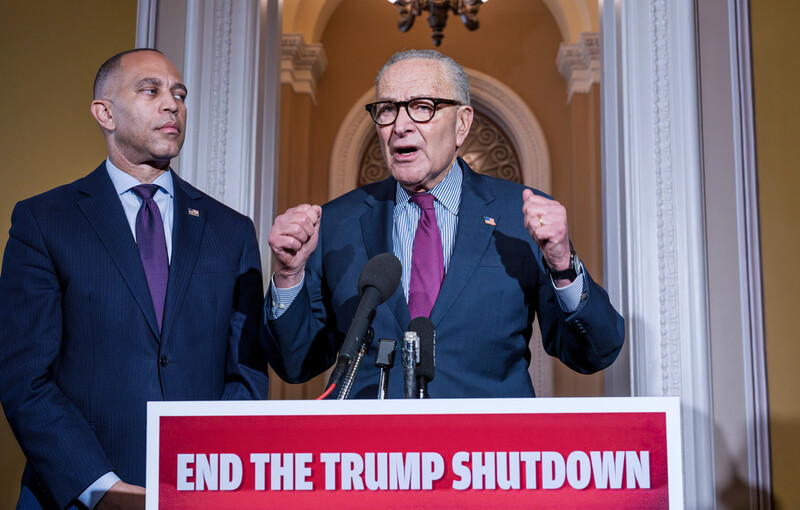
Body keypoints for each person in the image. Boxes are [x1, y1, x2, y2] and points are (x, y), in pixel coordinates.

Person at [264, 49, 624, 399]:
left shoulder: (519, 214)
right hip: (371, 452)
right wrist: (288, 275)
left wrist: (562, 264)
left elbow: (593, 352)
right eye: (387, 110)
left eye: (422, 107)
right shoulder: (337, 223)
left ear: (462, 123)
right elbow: (296, 363)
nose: (400, 126)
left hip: (487, 451)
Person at [0, 49, 269, 510]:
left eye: (179, 94)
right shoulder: (44, 221)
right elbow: (25, 376)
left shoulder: (232, 229)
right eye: (152, 90)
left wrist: (206, 474)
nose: (173, 105)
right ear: (104, 112)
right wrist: (100, 488)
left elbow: (245, 374)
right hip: (74, 496)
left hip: (196, 492)